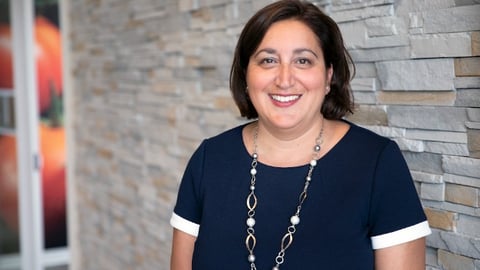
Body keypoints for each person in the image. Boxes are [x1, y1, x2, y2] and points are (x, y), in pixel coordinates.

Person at [170, 0, 431, 269]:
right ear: (246, 75)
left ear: (329, 75)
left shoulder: (377, 163)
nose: (284, 79)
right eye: (268, 60)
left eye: (303, 60)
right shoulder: (209, 159)